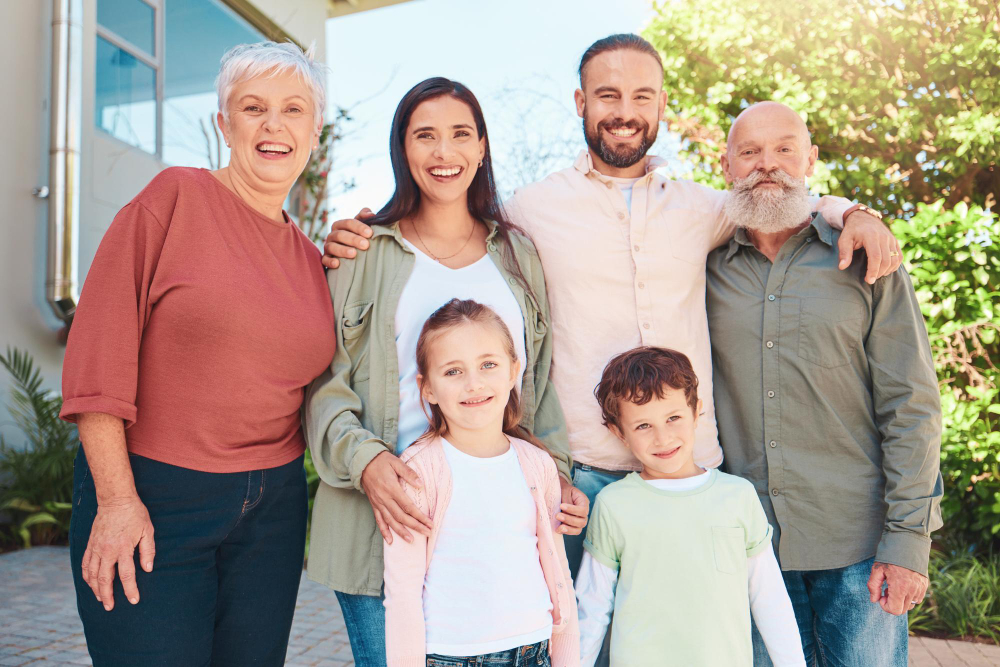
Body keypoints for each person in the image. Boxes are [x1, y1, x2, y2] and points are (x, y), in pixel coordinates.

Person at [319, 34, 901, 580]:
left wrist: (852, 211)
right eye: (608, 95)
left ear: (661, 106)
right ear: (580, 102)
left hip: (689, 473)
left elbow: (777, 191)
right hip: (578, 483)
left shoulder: (705, 208)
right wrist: (365, 232)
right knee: (577, 644)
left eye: (641, 96)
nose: (625, 110)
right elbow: (447, 246)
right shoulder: (530, 211)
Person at [59, 42, 335, 666]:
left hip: (274, 510)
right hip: (156, 495)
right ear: (224, 124)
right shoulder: (173, 200)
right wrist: (117, 499)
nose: (273, 125)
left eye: (293, 109)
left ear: (313, 132)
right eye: (253, 107)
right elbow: (97, 358)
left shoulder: (313, 261)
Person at [304, 77, 588, 667]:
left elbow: (538, 385)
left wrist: (558, 477)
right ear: (402, 150)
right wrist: (368, 463)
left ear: (482, 147)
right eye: (424, 135)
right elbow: (322, 384)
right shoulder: (362, 251)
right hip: (387, 521)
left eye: (460, 134)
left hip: (499, 535)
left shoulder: (517, 254)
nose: (443, 152)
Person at [705, 101, 943, 666]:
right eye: (750, 151)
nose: (769, 164)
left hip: (859, 550)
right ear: (726, 166)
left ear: (810, 159)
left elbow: (911, 403)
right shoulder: (702, 265)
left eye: (785, 148)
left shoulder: (868, 258)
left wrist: (909, 541)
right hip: (750, 549)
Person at [575, 346, 804, 667]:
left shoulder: (737, 496)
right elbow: (592, 606)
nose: (662, 437)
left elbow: (770, 600)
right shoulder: (614, 505)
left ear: (696, 411)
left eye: (673, 418)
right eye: (643, 426)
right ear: (619, 433)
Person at [382, 298, 579, 667]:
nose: (474, 383)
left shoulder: (537, 465)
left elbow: (559, 575)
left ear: (512, 371)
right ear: (427, 388)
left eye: (488, 365)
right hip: (453, 657)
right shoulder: (418, 472)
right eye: (453, 371)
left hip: (533, 650)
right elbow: (402, 594)